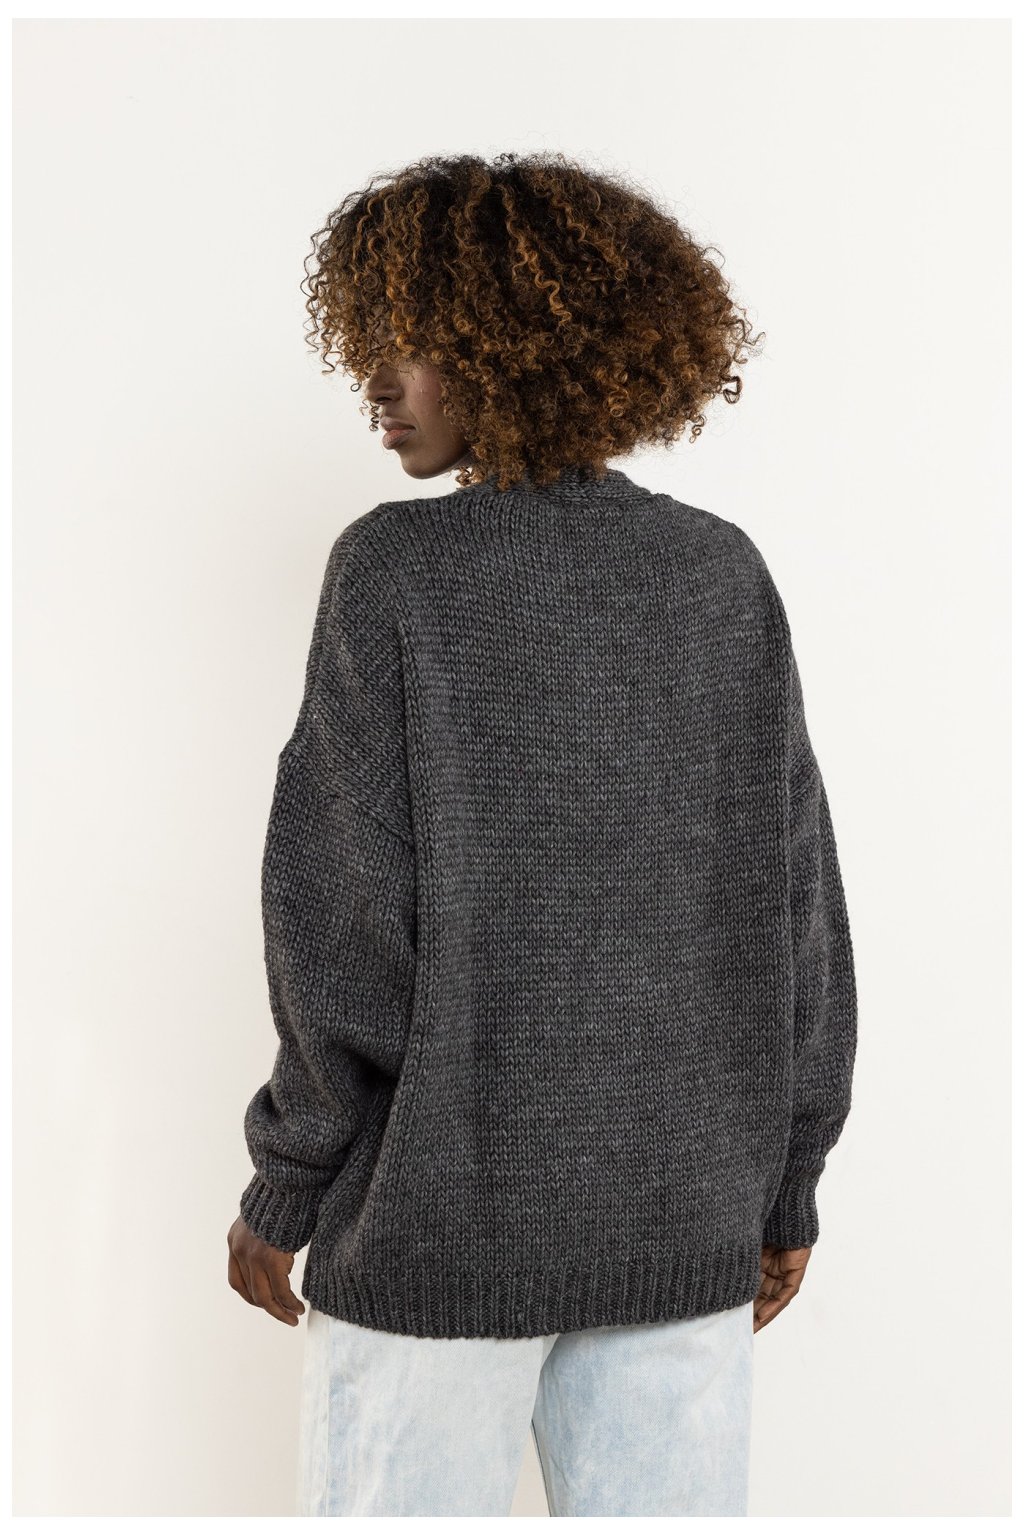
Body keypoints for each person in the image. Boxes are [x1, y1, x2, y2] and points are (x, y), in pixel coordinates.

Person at [226, 150, 858, 1518]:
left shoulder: (395, 574)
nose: (376, 379)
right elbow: (795, 910)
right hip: (685, 1219)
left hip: (440, 1237)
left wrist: (286, 1185)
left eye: (411, 341)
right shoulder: (719, 573)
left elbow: (343, 925)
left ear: (511, 349)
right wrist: (787, 1180)